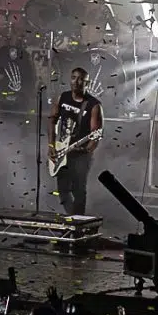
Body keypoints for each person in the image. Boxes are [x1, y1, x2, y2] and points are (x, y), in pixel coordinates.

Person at [48, 66, 103, 215]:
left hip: (80, 154)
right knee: (63, 191)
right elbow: (52, 120)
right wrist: (51, 145)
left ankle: (77, 222)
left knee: (78, 190)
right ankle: (73, 218)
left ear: (87, 83)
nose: (76, 82)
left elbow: (96, 134)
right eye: (73, 78)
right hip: (61, 149)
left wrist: (86, 150)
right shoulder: (63, 98)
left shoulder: (93, 105)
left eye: (81, 79)